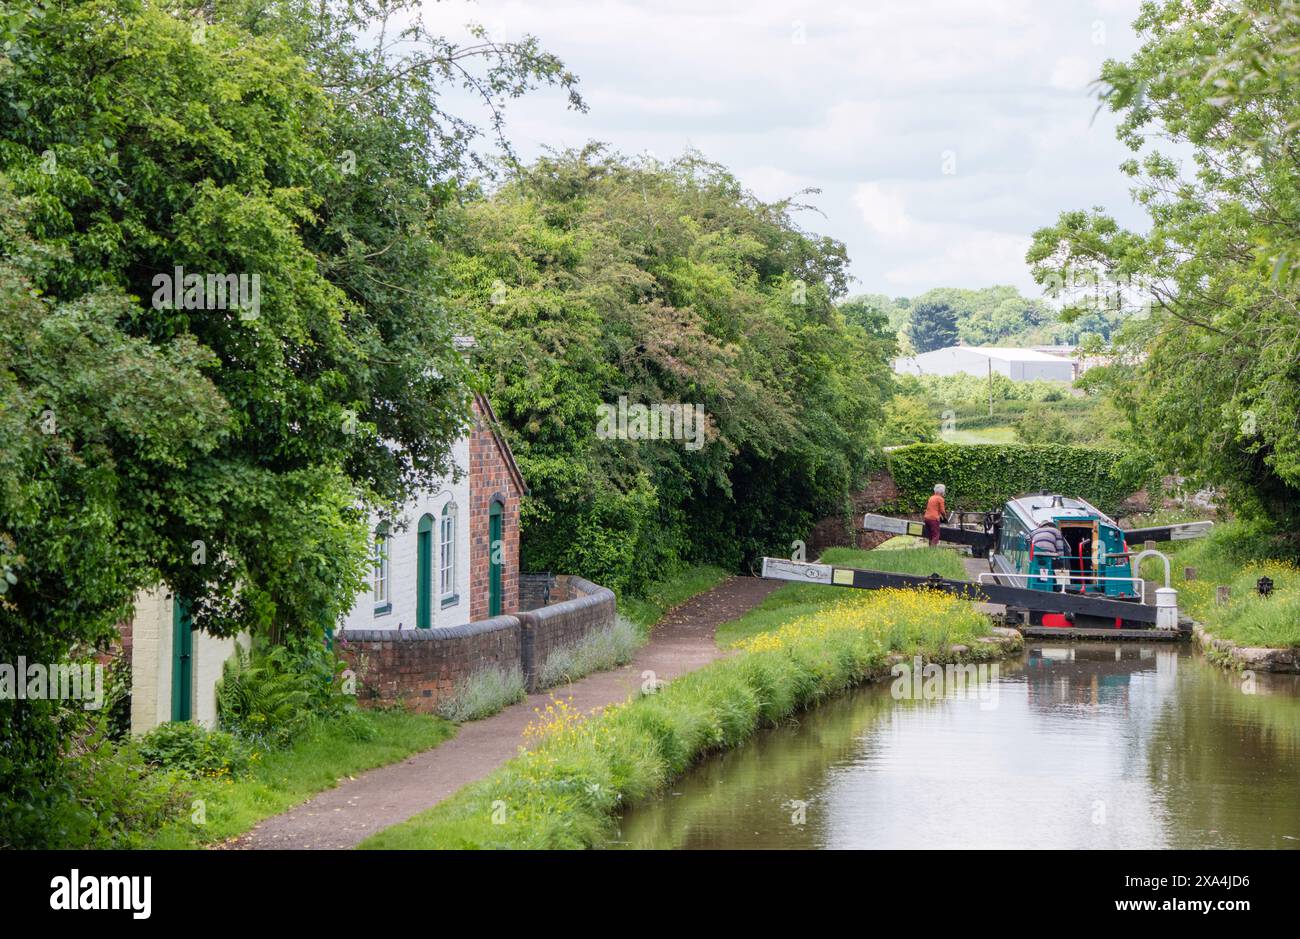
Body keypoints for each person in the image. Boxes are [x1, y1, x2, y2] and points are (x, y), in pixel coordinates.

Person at [1029, 518, 1068, 586]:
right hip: (1049, 554)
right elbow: (1059, 546)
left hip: (1036, 555)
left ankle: (1041, 582)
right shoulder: (1056, 531)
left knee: (1042, 567)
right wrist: (1061, 558)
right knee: (1060, 565)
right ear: (1050, 525)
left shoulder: (1034, 532)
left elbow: (1027, 537)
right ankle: (1061, 584)